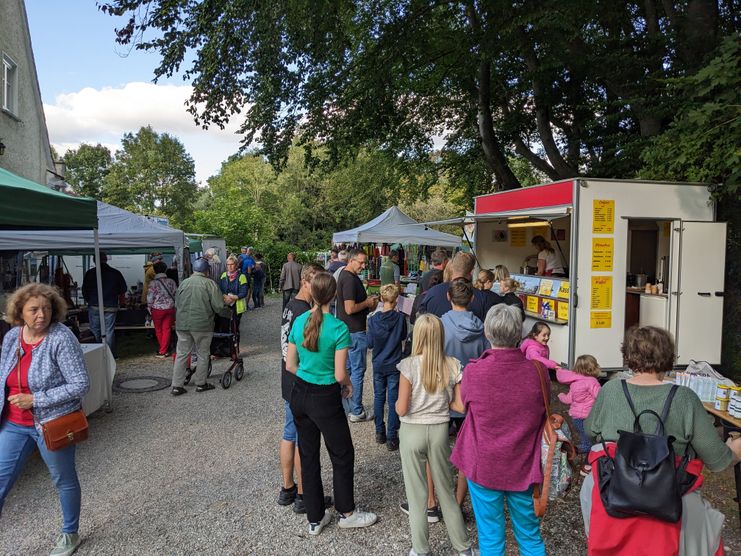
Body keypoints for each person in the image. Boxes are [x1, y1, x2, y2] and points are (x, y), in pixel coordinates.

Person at [582, 326, 741, 556]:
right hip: (669, 499)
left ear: (628, 356)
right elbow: (718, 460)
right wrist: (734, 449)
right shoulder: (685, 399)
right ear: (669, 357)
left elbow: (590, 431)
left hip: (613, 493)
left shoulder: (611, 390)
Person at [0, 284, 90, 556]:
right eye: (34, 309)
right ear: (19, 312)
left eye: (47, 309)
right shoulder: (12, 336)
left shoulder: (61, 338)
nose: (42, 315)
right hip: (13, 423)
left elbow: (80, 384)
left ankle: (69, 533)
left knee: (63, 479)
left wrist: (35, 400)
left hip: (51, 423)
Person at [451, 304, 548, 555]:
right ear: (519, 333)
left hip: (484, 463)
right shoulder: (538, 372)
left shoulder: (474, 370)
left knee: (490, 536)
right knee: (530, 535)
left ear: (488, 332)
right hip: (525, 464)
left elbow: (463, 406)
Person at [286, 272, 378, 535]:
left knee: (308, 453)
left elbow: (290, 364)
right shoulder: (338, 328)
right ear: (334, 295)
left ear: (311, 293)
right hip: (324, 396)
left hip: (300, 393)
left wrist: (309, 373)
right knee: (342, 453)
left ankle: (315, 518)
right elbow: (339, 374)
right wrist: (348, 385)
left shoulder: (300, 320)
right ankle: (347, 512)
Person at [395, 314, 474, 556]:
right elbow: (460, 407)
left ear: (417, 335)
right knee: (446, 492)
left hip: (411, 431)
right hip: (439, 430)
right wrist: (443, 398)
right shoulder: (452, 364)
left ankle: (420, 549)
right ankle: (463, 548)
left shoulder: (408, 366)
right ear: (441, 336)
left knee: (416, 494)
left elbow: (401, 408)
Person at [279, 262, 325, 514]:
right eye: (316, 282)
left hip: (288, 378)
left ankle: (287, 487)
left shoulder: (290, 306)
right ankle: (303, 494)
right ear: (306, 281)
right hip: (298, 379)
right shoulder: (302, 311)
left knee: (289, 434)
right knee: (301, 439)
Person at [441, 279, 488, 506]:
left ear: (449, 297)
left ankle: (438, 498)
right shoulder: (481, 328)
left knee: (438, 450)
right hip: (471, 394)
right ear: (471, 299)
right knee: (467, 451)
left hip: (443, 394)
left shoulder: (439, 325)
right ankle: (458, 501)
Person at [170, 258, 227, 396]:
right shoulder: (210, 284)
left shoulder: (184, 283)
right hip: (202, 325)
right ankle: (201, 384)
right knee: (203, 354)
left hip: (183, 324)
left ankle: (177, 386)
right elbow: (219, 306)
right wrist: (229, 312)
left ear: (194, 270)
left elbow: (177, 304)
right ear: (207, 271)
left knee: (182, 354)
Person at [336, 249, 379, 422]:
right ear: (351, 260)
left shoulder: (348, 277)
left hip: (348, 330)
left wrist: (368, 304)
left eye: (364, 263)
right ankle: (356, 410)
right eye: (360, 262)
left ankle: (347, 406)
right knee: (357, 371)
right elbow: (349, 308)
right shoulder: (348, 279)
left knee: (348, 370)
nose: (363, 266)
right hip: (354, 331)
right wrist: (367, 302)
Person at [367, 284, 407, 451]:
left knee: (378, 397)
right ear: (396, 300)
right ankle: (392, 436)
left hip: (378, 363)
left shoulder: (372, 320)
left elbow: (369, 343)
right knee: (392, 399)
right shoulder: (400, 319)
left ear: (382, 299)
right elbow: (404, 336)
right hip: (394, 363)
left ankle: (379, 431)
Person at [419, 252, 497, 321]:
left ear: (452, 268)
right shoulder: (482, 298)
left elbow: (422, 323)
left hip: (437, 336)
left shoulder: (432, 293)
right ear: (471, 272)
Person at [556, 354, 601, 474]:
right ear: (593, 368)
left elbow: (568, 400)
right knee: (590, 443)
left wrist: (561, 396)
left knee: (588, 440)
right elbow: (599, 396)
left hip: (576, 418)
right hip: (588, 418)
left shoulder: (575, 383)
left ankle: (575, 455)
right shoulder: (592, 381)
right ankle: (570, 451)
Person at [81, 252, 127, 357]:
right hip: (111, 305)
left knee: (95, 330)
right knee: (109, 332)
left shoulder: (90, 273)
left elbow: (85, 290)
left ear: (94, 261)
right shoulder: (115, 273)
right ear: (106, 259)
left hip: (94, 305)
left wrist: (89, 300)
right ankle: (110, 355)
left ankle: (97, 354)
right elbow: (123, 289)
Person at [146, 261, 178, 358]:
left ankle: (163, 350)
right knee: (167, 329)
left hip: (157, 309)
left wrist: (149, 308)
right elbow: (176, 295)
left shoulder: (153, 283)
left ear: (155, 271)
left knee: (159, 330)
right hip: (170, 308)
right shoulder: (171, 281)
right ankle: (164, 349)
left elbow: (149, 298)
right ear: (165, 269)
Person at [219, 255, 248, 325]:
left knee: (235, 326)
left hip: (237, 306)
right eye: (228, 264)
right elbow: (220, 289)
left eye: (232, 264)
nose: (230, 266)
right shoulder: (223, 275)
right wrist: (225, 296)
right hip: (225, 304)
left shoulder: (242, 276)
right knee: (225, 325)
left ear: (236, 265)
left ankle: (236, 336)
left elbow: (244, 292)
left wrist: (232, 298)